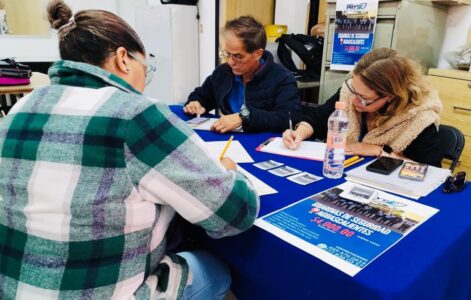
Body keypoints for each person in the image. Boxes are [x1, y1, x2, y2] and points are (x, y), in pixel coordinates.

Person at [0, 1, 259, 299]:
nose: (144, 82)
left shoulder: (20, 108)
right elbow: (235, 212)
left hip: (14, 290)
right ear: (124, 59)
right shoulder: (135, 114)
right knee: (215, 269)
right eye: (145, 67)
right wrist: (231, 172)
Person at [283, 48, 443, 167]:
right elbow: (318, 118)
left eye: (364, 99)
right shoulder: (352, 92)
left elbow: (431, 171)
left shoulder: (418, 118)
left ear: (390, 96)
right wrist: (299, 133)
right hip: (346, 172)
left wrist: (379, 152)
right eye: (353, 90)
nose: (354, 100)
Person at [184, 16, 301, 133]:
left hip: (262, 142)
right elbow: (203, 95)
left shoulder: (282, 78)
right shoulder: (223, 72)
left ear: (257, 54)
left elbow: (289, 119)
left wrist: (243, 117)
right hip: (228, 140)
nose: (230, 62)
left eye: (238, 56)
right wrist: (195, 103)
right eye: (228, 54)